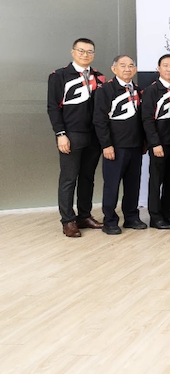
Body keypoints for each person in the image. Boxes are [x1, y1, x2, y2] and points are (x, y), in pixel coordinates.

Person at [47, 38, 106, 237]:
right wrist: (60, 134)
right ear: (73, 52)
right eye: (81, 51)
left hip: (94, 136)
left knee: (87, 178)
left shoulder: (99, 77)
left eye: (89, 51)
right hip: (71, 135)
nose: (85, 55)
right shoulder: (59, 76)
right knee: (68, 178)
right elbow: (53, 107)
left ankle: (84, 216)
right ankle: (68, 220)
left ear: (94, 55)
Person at [93, 55, 147, 235]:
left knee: (133, 185)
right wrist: (106, 145)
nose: (127, 69)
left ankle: (131, 217)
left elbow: (143, 120)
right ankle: (109, 221)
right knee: (112, 185)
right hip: (114, 147)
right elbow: (99, 120)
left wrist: (144, 142)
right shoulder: (105, 90)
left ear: (135, 69)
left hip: (135, 146)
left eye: (131, 65)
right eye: (123, 65)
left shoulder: (138, 90)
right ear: (114, 69)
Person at [141, 54, 170, 229]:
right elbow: (147, 119)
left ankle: (167, 212)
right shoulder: (152, 90)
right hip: (160, 142)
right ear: (158, 68)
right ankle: (155, 216)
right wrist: (154, 143)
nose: (169, 69)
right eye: (165, 65)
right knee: (156, 180)